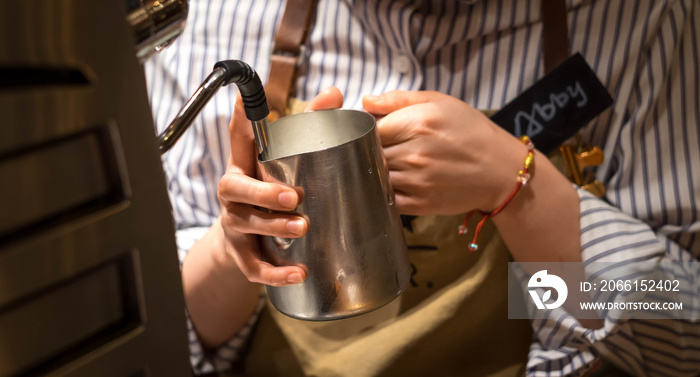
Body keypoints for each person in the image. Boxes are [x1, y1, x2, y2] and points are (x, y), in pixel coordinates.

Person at [145, 0, 700, 375]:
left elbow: (682, 323)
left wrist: (517, 187)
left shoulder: (643, 21)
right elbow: (161, 331)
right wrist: (237, 244)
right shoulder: (209, 16)